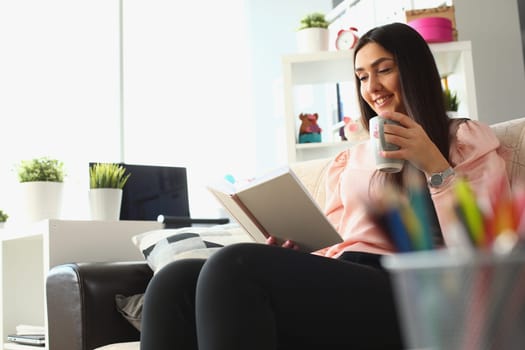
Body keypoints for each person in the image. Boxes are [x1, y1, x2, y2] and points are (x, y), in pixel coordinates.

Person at [140, 22, 510, 350]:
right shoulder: (351, 160)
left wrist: (433, 164)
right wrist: (297, 255)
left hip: (414, 288)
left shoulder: (461, 139)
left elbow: (486, 250)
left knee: (233, 263)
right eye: (362, 77)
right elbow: (338, 244)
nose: (372, 87)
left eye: (384, 70)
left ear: (415, 72)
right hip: (349, 278)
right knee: (175, 281)